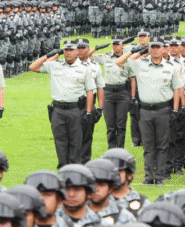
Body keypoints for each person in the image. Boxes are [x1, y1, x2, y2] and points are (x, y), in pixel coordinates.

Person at [116, 36, 184, 184]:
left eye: (158, 47)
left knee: (162, 146)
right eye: (152, 47)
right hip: (145, 111)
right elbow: (119, 61)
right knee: (148, 146)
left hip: (163, 110)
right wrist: (138, 51)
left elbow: (178, 88)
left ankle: (159, 177)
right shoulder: (141, 64)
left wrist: (175, 110)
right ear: (149, 48)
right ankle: (148, 177)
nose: (155, 50)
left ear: (163, 48)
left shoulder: (172, 66)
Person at [29, 40, 96, 168]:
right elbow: (33, 67)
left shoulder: (84, 69)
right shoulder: (55, 65)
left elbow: (90, 91)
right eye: (66, 50)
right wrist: (49, 55)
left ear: (77, 51)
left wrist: (88, 112)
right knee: (60, 142)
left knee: (75, 142)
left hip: (75, 109)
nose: (68, 53)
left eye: (71, 50)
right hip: (58, 110)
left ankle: (74, 171)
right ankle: (63, 170)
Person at [93, 36, 132, 149]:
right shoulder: (106, 57)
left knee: (121, 124)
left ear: (123, 45)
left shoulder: (129, 59)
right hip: (108, 93)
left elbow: (132, 78)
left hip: (122, 92)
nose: (115, 47)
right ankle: (111, 149)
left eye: (117, 44)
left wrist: (132, 97)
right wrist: (96, 48)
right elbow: (88, 56)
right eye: (113, 44)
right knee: (110, 125)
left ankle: (120, 149)